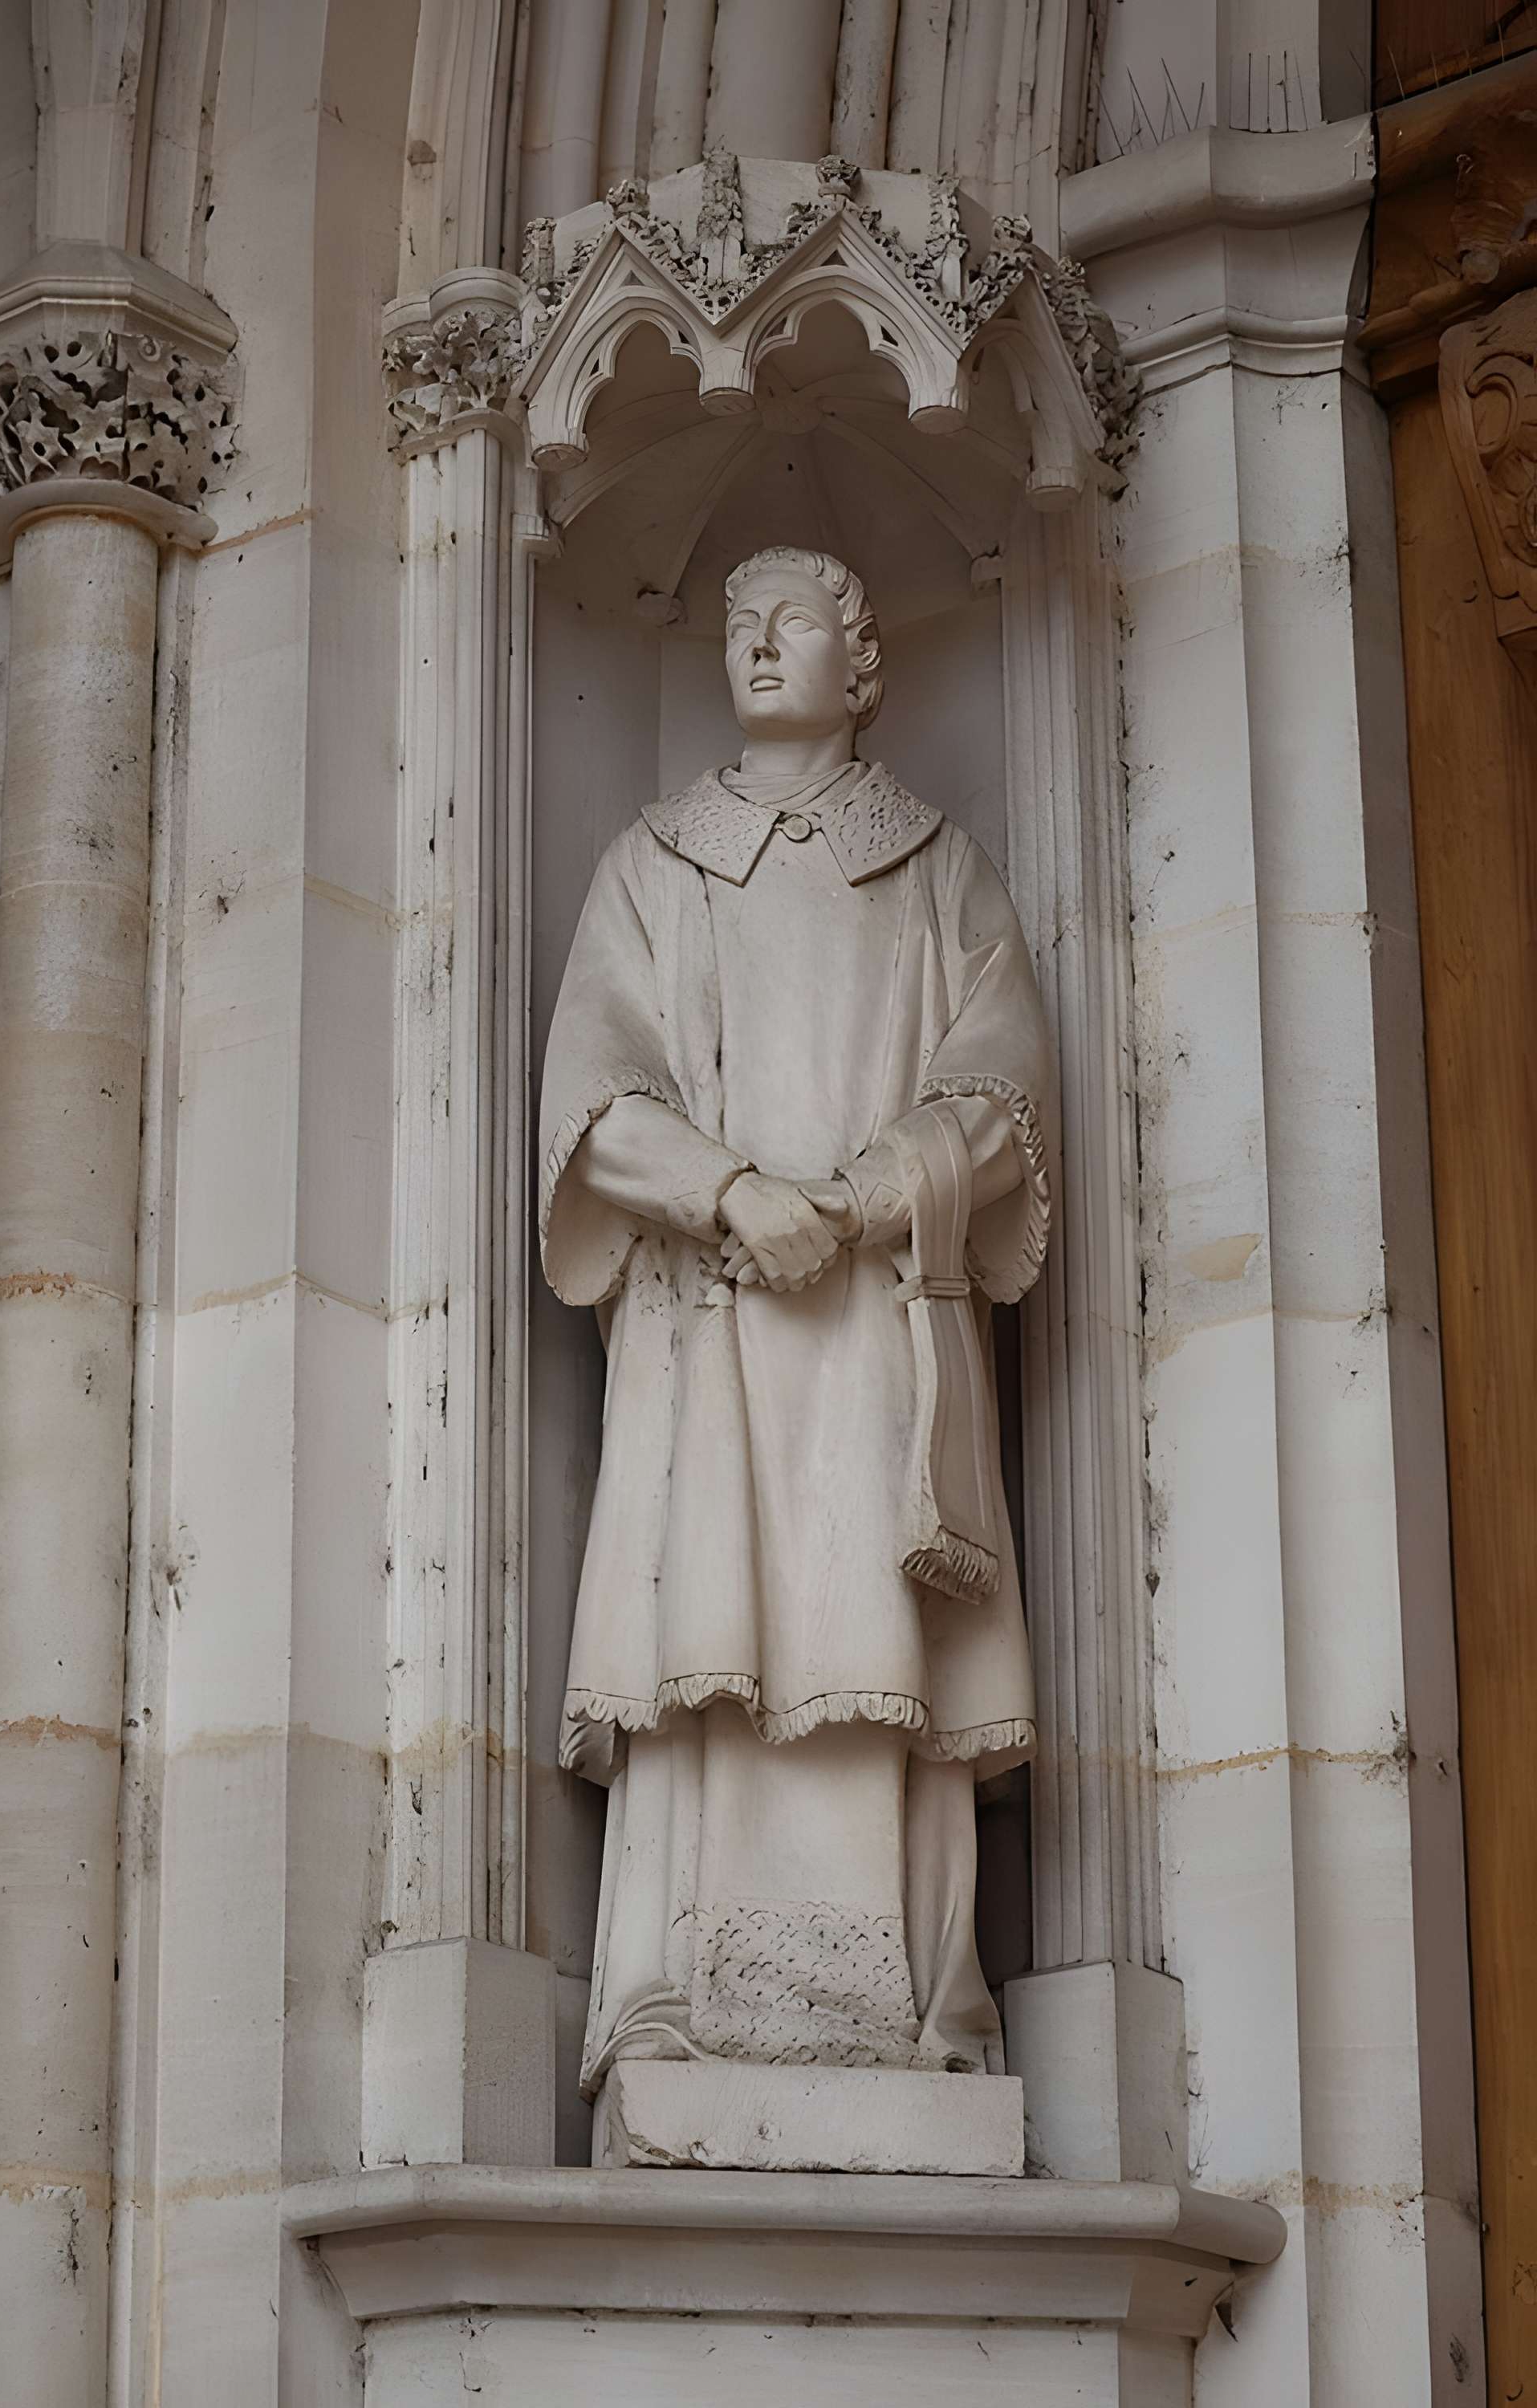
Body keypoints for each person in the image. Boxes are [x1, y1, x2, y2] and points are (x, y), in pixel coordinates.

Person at [539, 545, 1052, 2100]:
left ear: (866, 656)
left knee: (877, 1634)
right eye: (739, 624)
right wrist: (724, 1189)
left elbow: (1004, 1085)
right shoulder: (654, 864)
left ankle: (918, 2004)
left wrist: (888, 1188)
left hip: (884, 1324)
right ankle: (670, 1999)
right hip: (714, 1330)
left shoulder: (941, 870)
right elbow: (589, 1098)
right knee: (713, 1637)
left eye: (799, 621)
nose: (760, 644)